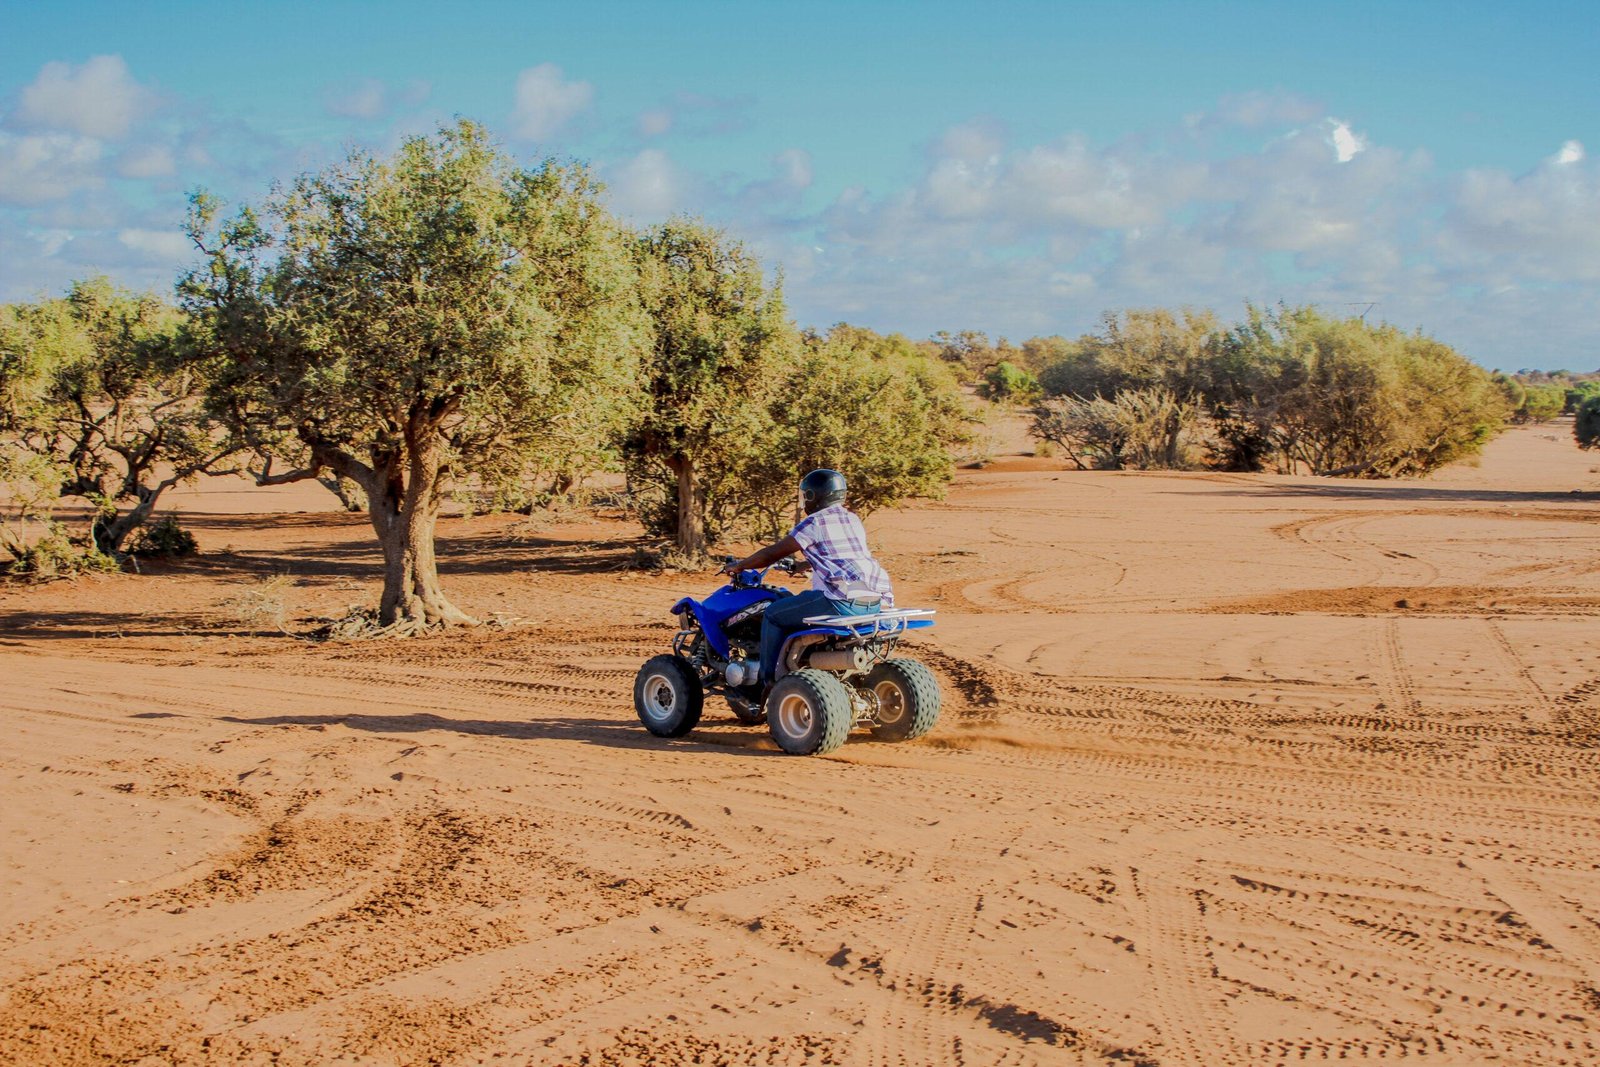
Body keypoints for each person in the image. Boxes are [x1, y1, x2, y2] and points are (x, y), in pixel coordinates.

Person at [719, 468, 895, 688]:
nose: (804, 501)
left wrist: (739, 566)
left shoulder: (814, 523)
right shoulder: (852, 519)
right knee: (804, 599)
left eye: (806, 495)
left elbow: (771, 553)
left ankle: (767, 681)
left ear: (815, 495)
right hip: (874, 600)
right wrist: (803, 564)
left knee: (773, 614)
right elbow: (839, 555)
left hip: (841, 601)